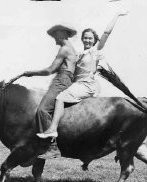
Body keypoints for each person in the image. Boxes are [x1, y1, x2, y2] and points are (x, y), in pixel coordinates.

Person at [37, 11, 128, 139]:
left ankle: (52, 129)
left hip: (87, 85)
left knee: (61, 98)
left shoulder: (95, 51)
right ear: (82, 39)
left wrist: (116, 16)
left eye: (90, 38)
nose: (87, 40)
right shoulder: (79, 53)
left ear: (95, 40)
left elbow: (106, 33)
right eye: (85, 37)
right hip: (78, 84)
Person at [23, 24, 78, 137]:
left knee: (42, 110)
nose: (54, 39)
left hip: (61, 80)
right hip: (67, 80)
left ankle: (51, 147)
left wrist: (31, 73)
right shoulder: (72, 49)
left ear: (62, 34)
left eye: (55, 36)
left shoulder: (64, 49)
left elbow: (50, 70)